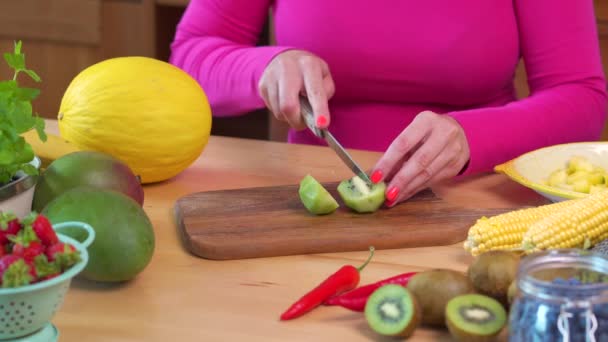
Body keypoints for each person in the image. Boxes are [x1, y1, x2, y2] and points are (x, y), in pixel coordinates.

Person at [170, 0, 607, 207]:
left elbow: (582, 97)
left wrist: (471, 138)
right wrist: (264, 66)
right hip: (314, 208)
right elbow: (188, 61)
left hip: (477, 200)